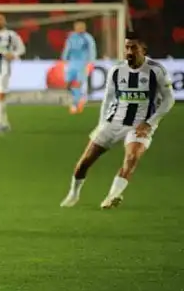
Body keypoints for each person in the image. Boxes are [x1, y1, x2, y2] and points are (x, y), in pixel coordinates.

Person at [60, 32, 174, 209]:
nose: (129, 51)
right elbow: (108, 98)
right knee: (84, 162)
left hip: (140, 125)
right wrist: (101, 123)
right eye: (127, 47)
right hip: (114, 122)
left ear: (143, 49)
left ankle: (112, 196)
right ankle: (73, 195)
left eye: (133, 48)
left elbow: (169, 99)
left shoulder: (156, 70)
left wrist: (150, 123)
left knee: (131, 158)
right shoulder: (117, 70)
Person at [61, 21, 97, 114]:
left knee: (78, 84)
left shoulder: (88, 38)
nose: (79, 29)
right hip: (72, 63)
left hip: (83, 64)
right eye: (77, 27)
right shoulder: (72, 37)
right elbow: (67, 48)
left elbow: (92, 50)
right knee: (67, 84)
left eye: (81, 27)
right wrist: (64, 58)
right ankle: (80, 97)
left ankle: (75, 104)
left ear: (84, 28)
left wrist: (91, 63)